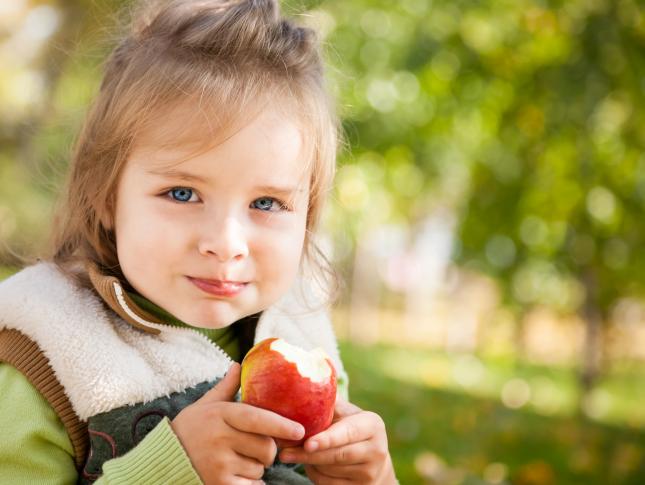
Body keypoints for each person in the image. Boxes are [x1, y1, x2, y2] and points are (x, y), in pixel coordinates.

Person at [0, 0, 398, 484]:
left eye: (267, 203)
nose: (226, 244)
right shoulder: (44, 350)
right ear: (106, 197)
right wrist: (166, 472)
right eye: (182, 193)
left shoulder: (302, 339)